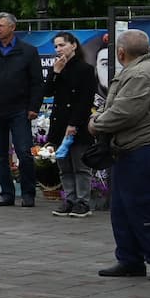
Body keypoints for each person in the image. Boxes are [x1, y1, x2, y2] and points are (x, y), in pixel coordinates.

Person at [92, 29, 150, 280]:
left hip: (146, 147)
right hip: (131, 149)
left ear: (120, 52)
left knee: (146, 206)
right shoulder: (140, 70)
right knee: (122, 208)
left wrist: (96, 124)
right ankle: (130, 260)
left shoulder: (143, 73)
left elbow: (125, 112)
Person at [0, 11, 42, 208]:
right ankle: (6, 193)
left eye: (0, 26)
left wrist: (33, 107)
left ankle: (28, 193)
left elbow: (37, 82)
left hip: (19, 109)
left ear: (12, 27)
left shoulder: (28, 51)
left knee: (24, 152)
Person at [46, 31, 97, 218]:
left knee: (80, 166)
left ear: (73, 45)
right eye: (56, 46)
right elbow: (47, 91)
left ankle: (83, 202)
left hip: (78, 123)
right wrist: (55, 72)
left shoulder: (85, 69)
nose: (59, 49)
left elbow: (85, 100)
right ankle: (69, 199)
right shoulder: (58, 68)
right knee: (64, 166)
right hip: (59, 124)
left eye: (62, 45)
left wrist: (74, 123)